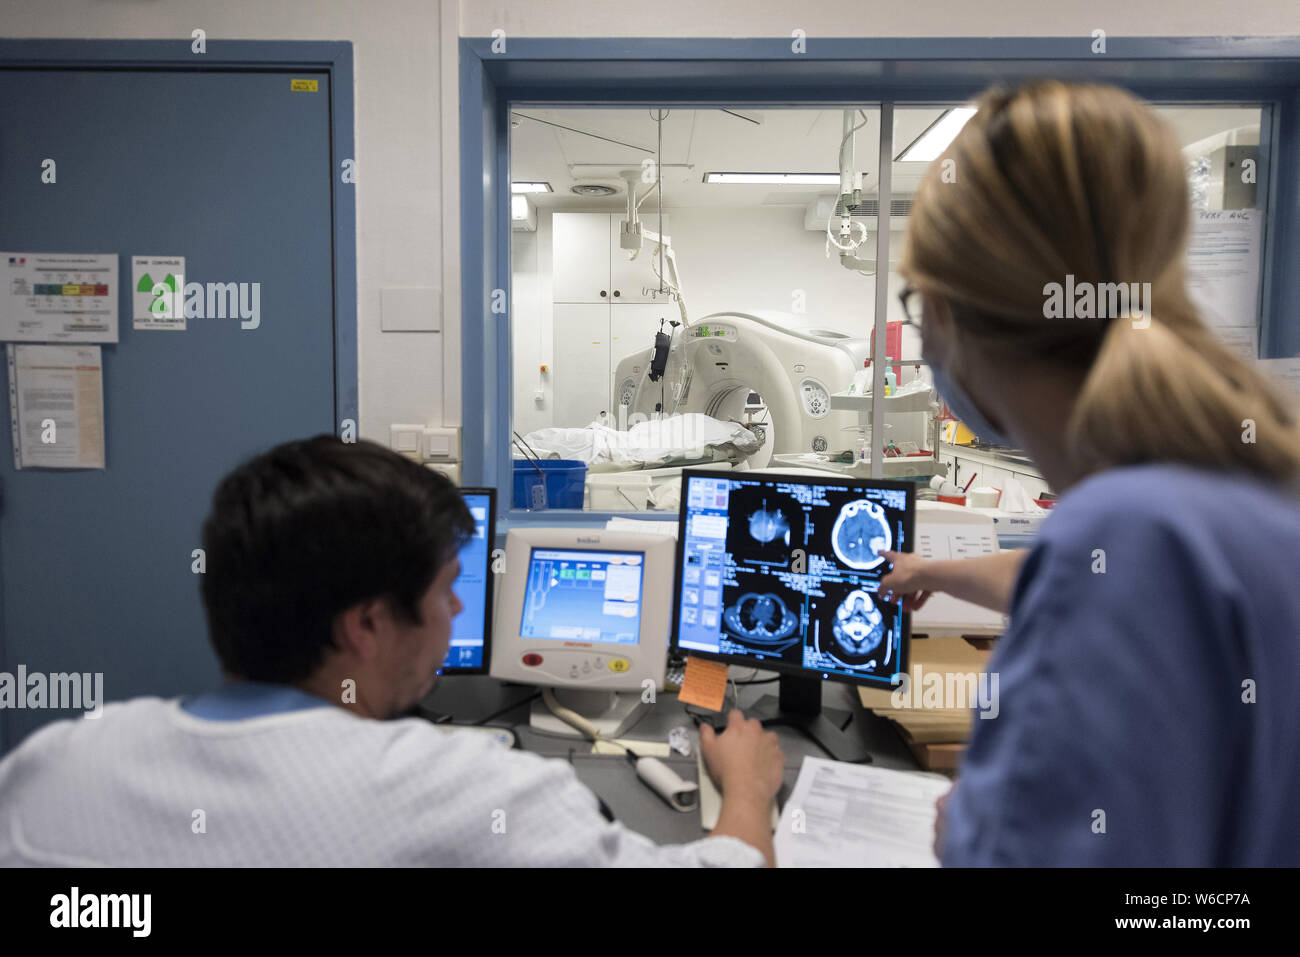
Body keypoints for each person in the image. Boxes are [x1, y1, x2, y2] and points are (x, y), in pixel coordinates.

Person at [0, 436, 783, 866]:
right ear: (366, 626)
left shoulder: (57, 764)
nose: (456, 609)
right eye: (448, 587)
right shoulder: (471, 794)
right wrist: (745, 788)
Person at [888, 79, 1300, 865]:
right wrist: (937, 570)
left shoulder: (1128, 531)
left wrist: (977, 840)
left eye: (915, 302)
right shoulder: (1234, 491)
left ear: (946, 312)